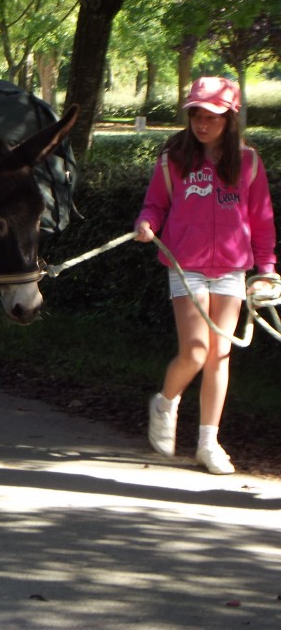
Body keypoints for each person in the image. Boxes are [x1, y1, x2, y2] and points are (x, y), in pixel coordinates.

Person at [135, 76, 276, 475]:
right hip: (187, 267)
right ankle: (165, 403)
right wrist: (147, 224)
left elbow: (262, 222)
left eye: (211, 115)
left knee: (220, 355)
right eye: (196, 114)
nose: (201, 122)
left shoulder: (248, 163)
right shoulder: (173, 159)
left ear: (230, 118)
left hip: (233, 269)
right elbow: (154, 205)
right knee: (195, 352)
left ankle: (208, 443)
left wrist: (267, 272)